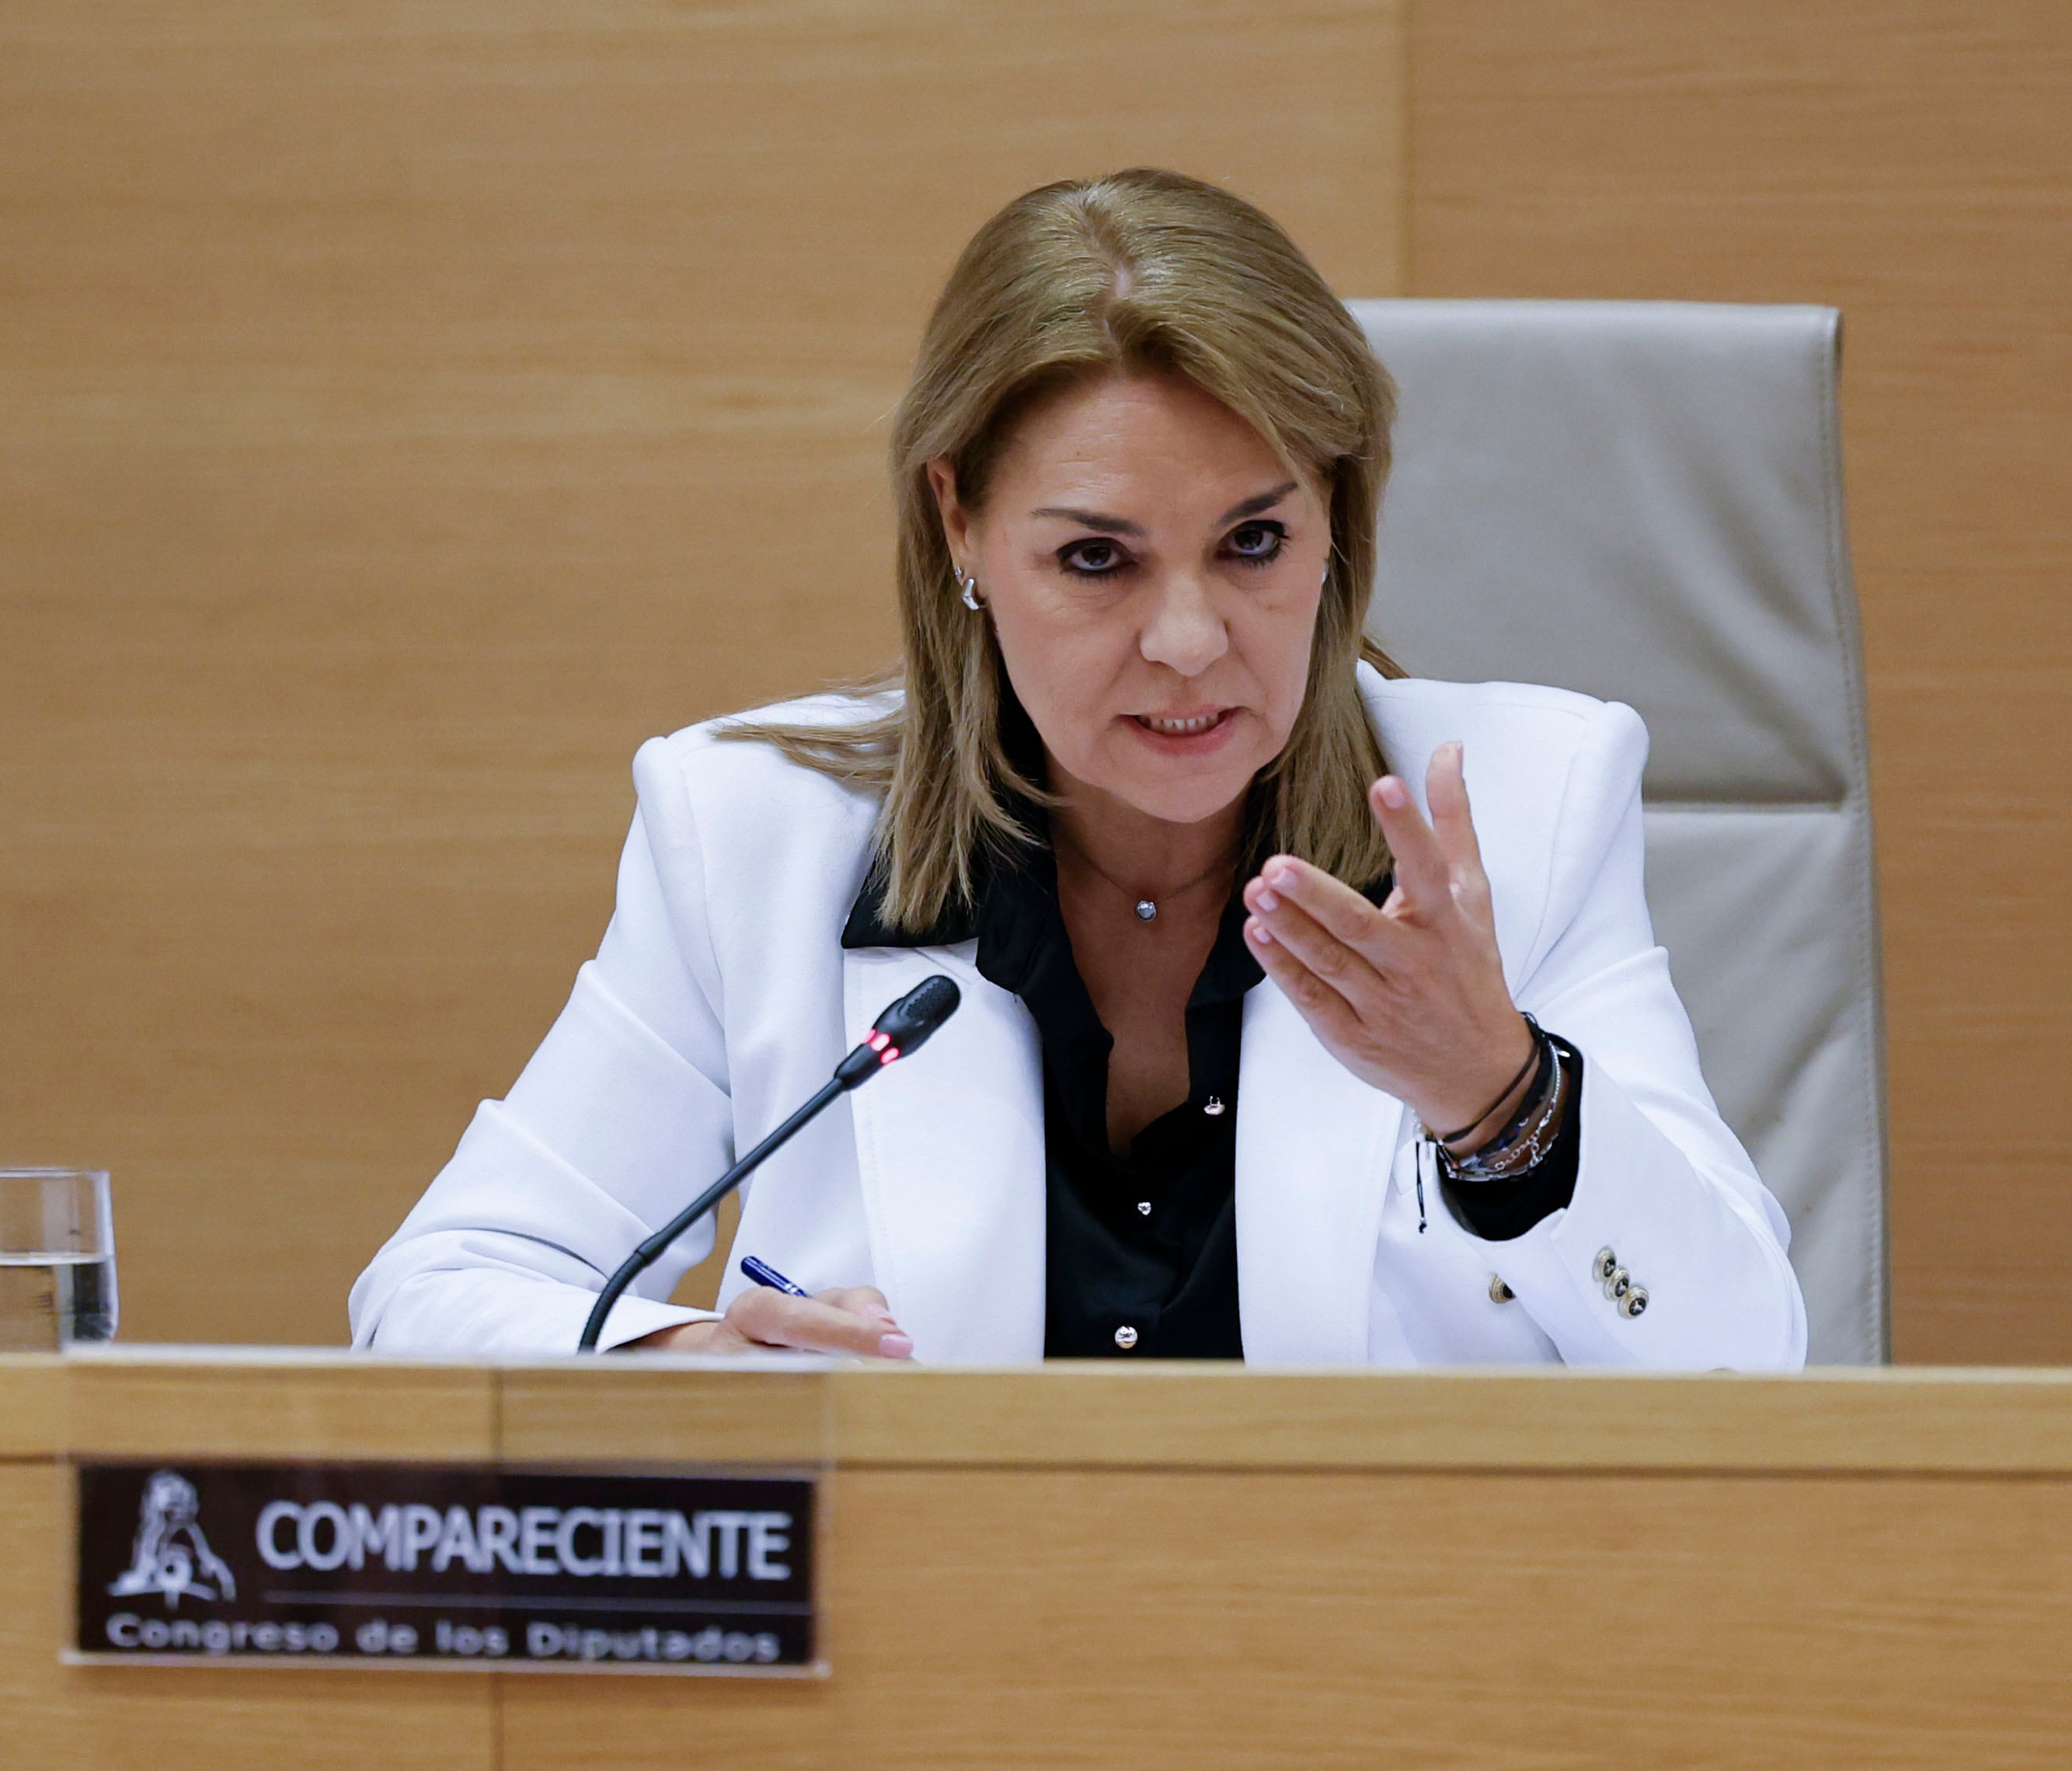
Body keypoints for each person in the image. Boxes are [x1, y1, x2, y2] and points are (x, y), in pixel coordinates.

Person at [350, 168, 1806, 1369]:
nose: (1187, 642)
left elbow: (1744, 1368)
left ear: (1336, 529)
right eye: (1095, 558)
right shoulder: (750, 837)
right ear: (961, 530)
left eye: (1251, 543)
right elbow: (436, 1292)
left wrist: (1498, 1100)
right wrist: (676, 1371)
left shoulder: (1515, 812)